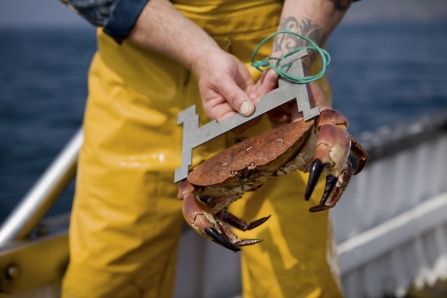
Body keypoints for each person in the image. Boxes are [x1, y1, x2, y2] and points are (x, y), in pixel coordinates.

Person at [61, 0, 358, 297]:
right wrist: (198, 52)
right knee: (103, 281)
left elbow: (334, 129)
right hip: (137, 91)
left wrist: (292, 59)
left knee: (301, 285)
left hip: (279, 86)